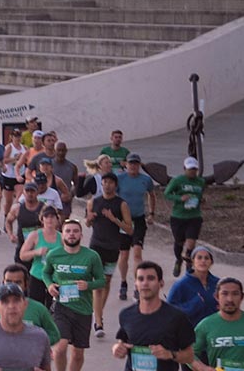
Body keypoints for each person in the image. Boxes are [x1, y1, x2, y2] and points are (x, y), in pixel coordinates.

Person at [40, 219, 109, 371]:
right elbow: (46, 273)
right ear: (62, 235)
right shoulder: (54, 255)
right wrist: (50, 285)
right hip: (61, 306)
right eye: (68, 231)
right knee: (60, 348)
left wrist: (88, 285)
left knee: (78, 354)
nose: (72, 234)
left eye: (75, 231)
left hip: (83, 309)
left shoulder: (92, 256)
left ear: (81, 235)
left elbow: (101, 281)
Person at [113, 261, 195, 371]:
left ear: (161, 283)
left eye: (150, 278)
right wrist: (117, 349)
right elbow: (122, 342)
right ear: (136, 285)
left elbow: (189, 356)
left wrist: (170, 354)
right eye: (141, 279)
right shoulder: (126, 315)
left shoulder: (176, 317)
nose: (145, 283)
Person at [192, 277, 244, 371]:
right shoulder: (205, 326)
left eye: (235, 294)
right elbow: (189, 355)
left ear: (242, 297)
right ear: (217, 297)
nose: (230, 299)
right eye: (224, 294)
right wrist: (203, 368)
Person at [89, 172, 133, 339]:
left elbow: (129, 229)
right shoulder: (94, 201)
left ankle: (97, 313)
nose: (107, 185)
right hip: (96, 245)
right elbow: (88, 222)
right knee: (98, 283)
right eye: (104, 182)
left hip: (113, 246)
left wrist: (114, 220)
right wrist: (89, 218)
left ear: (115, 185)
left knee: (106, 282)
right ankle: (98, 321)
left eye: (110, 182)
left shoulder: (121, 204)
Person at [114, 155, 159, 303]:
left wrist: (151, 213)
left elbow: (152, 195)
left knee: (137, 253)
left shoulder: (145, 180)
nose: (133, 167)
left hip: (139, 219)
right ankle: (123, 282)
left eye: (136, 164)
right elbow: (113, 196)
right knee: (124, 254)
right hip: (124, 220)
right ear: (126, 164)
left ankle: (137, 285)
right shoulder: (120, 179)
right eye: (131, 164)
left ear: (139, 165)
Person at [0, 264, 61, 347]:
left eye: (18, 282)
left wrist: (36, 343)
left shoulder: (39, 309)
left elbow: (54, 335)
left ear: (26, 284)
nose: (13, 285)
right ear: (3, 282)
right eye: (8, 281)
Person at [164, 156, 207, 278]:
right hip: (178, 216)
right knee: (179, 242)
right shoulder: (177, 181)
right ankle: (178, 260)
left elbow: (199, 194)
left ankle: (189, 264)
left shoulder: (200, 181)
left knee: (191, 242)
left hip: (194, 216)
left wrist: (201, 200)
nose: (192, 171)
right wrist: (179, 198)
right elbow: (167, 194)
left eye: (194, 169)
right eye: (190, 169)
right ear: (184, 169)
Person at [163, 246, 221, 323]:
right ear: (193, 261)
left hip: (214, 329)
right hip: (190, 329)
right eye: (199, 258)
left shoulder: (218, 283)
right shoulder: (181, 284)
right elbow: (169, 310)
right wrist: (195, 303)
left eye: (206, 258)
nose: (203, 261)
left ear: (211, 262)